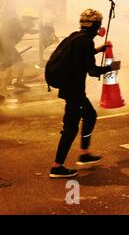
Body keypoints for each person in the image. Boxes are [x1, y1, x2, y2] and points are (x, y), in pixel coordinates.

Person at [49, 9, 121, 179]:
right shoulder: (85, 42)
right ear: (97, 26)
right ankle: (57, 167)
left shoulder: (76, 37)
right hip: (74, 90)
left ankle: (84, 153)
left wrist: (98, 50)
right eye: (99, 25)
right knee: (71, 128)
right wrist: (111, 67)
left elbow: (80, 56)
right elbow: (93, 71)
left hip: (70, 88)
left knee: (90, 115)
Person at [0, 9, 40, 93]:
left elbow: (30, 31)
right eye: (33, 20)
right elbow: (4, 35)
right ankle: (2, 89)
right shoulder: (14, 23)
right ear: (27, 20)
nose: (33, 23)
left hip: (8, 47)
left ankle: (18, 82)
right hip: (3, 47)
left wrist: (41, 31)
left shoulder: (23, 27)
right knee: (7, 69)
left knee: (19, 64)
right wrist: (8, 52)